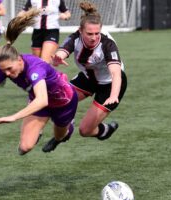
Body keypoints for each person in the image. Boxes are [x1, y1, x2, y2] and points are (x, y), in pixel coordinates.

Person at [0, 9, 78, 155]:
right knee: (24, 148)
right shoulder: (6, 68)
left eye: (9, 69)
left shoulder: (35, 68)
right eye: (3, 70)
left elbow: (42, 100)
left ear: (19, 60)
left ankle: (67, 128)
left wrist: (14, 117)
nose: (7, 74)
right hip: (39, 101)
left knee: (60, 136)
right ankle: (39, 130)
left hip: (63, 101)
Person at [51, 2, 127, 141]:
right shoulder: (75, 37)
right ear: (80, 31)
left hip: (110, 85)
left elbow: (116, 73)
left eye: (97, 33)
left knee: (85, 130)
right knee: (59, 98)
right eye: (89, 33)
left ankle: (105, 130)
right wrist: (58, 57)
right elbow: (63, 50)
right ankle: (66, 128)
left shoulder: (107, 44)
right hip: (88, 78)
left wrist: (114, 95)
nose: (93, 37)